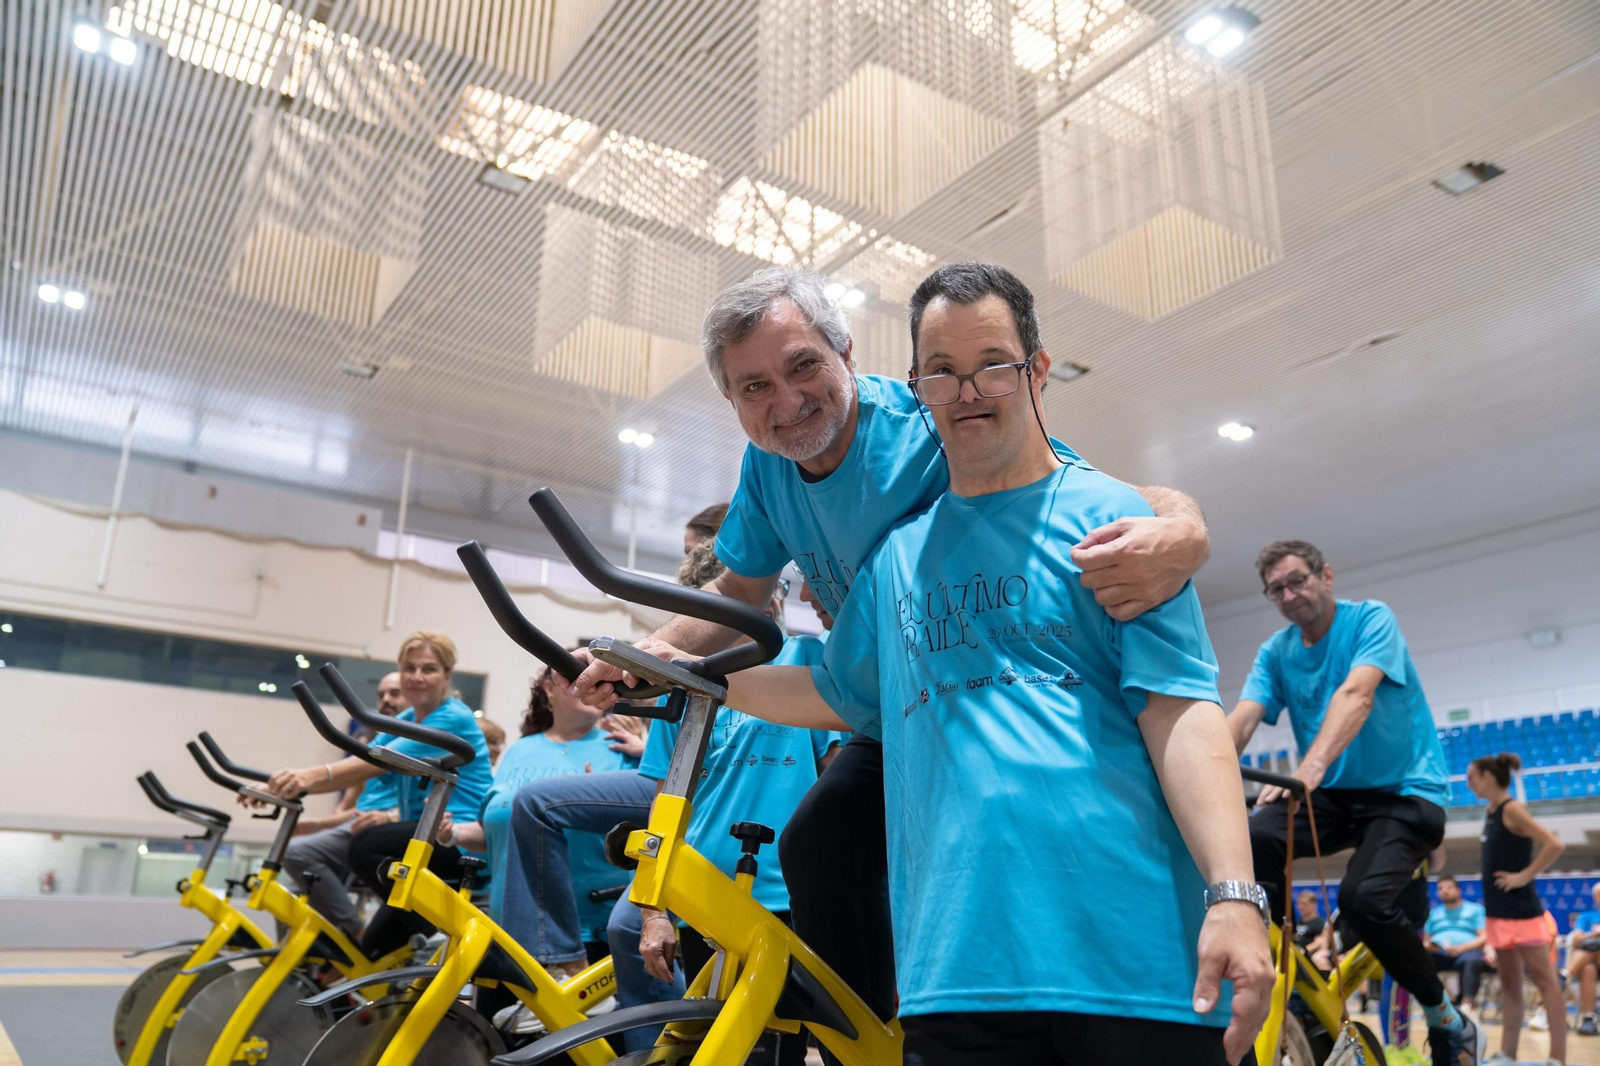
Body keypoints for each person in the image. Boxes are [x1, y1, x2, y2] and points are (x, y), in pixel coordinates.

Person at [628, 263, 1272, 1065]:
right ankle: (860, 1030)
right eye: (755, 386)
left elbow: (1072, 499)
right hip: (953, 940)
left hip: (1130, 964)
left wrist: (1183, 526)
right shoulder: (859, 532)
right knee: (818, 842)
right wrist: (659, 662)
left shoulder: (1056, 497)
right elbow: (768, 620)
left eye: (803, 368)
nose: (787, 402)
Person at [1225, 539, 1482, 1063]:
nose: (1290, 593)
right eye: (1277, 589)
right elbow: (1244, 718)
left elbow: (1356, 695)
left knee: (1362, 901)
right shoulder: (1277, 651)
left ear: (1326, 576)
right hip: (1333, 799)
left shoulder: (1370, 620)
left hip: (1403, 793)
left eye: (1298, 580)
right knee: (1253, 836)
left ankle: (1445, 1017)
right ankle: (1282, 969)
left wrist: (1309, 769)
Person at [432, 660, 647, 1030]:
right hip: (509, 931)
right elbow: (499, 833)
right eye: (577, 676)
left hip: (587, 933)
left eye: (599, 678)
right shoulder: (520, 751)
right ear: (549, 688)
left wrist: (643, 753)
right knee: (497, 1044)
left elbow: (647, 819)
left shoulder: (621, 745)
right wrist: (452, 834)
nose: (592, 683)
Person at [264, 630, 493, 958]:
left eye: (428, 669)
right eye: (409, 668)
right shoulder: (406, 719)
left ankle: (431, 928)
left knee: (367, 844)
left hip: (460, 841)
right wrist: (275, 783)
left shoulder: (452, 717)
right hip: (423, 840)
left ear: (447, 675)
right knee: (369, 955)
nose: (416, 677)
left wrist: (307, 777)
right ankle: (416, 938)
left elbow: (372, 763)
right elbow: (366, 756)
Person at [279, 671, 404, 940]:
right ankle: (315, 963)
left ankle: (356, 933)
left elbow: (341, 781)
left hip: (387, 834)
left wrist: (392, 816)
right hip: (360, 827)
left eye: (395, 693)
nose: (386, 700)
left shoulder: (410, 744)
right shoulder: (379, 741)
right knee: (296, 891)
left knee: (296, 854)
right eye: (381, 695)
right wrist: (319, 823)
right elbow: (355, 809)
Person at [1467, 753, 1566, 1066]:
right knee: (1509, 985)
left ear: (1488, 776)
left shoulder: (1513, 809)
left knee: (1545, 982)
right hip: (1497, 915)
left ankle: (1557, 1057)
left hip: (1523, 914)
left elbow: (1554, 844)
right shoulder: (1492, 811)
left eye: (1472, 777)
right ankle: (1507, 1053)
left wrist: (1525, 875)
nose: (1468, 783)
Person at [1423, 876, 1490, 1011]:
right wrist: (1431, 946)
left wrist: (1462, 948)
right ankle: (1433, 1001)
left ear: (1458, 890)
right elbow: (1426, 940)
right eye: (1440, 888)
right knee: (1422, 961)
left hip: (1468, 951)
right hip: (1440, 952)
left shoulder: (1475, 910)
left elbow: (1484, 937)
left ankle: (1467, 1002)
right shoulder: (1433, 914)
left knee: (1471, 962)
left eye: (1449, 887)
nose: (1445, 891)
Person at [1565, 884, 1600, 1036]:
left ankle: (1566, 975)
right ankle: (1589, 1018)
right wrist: (1594, 935)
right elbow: (1576, 940)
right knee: (1588, 969)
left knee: (1594, 947)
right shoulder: (1586, 916)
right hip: (1593, 963)